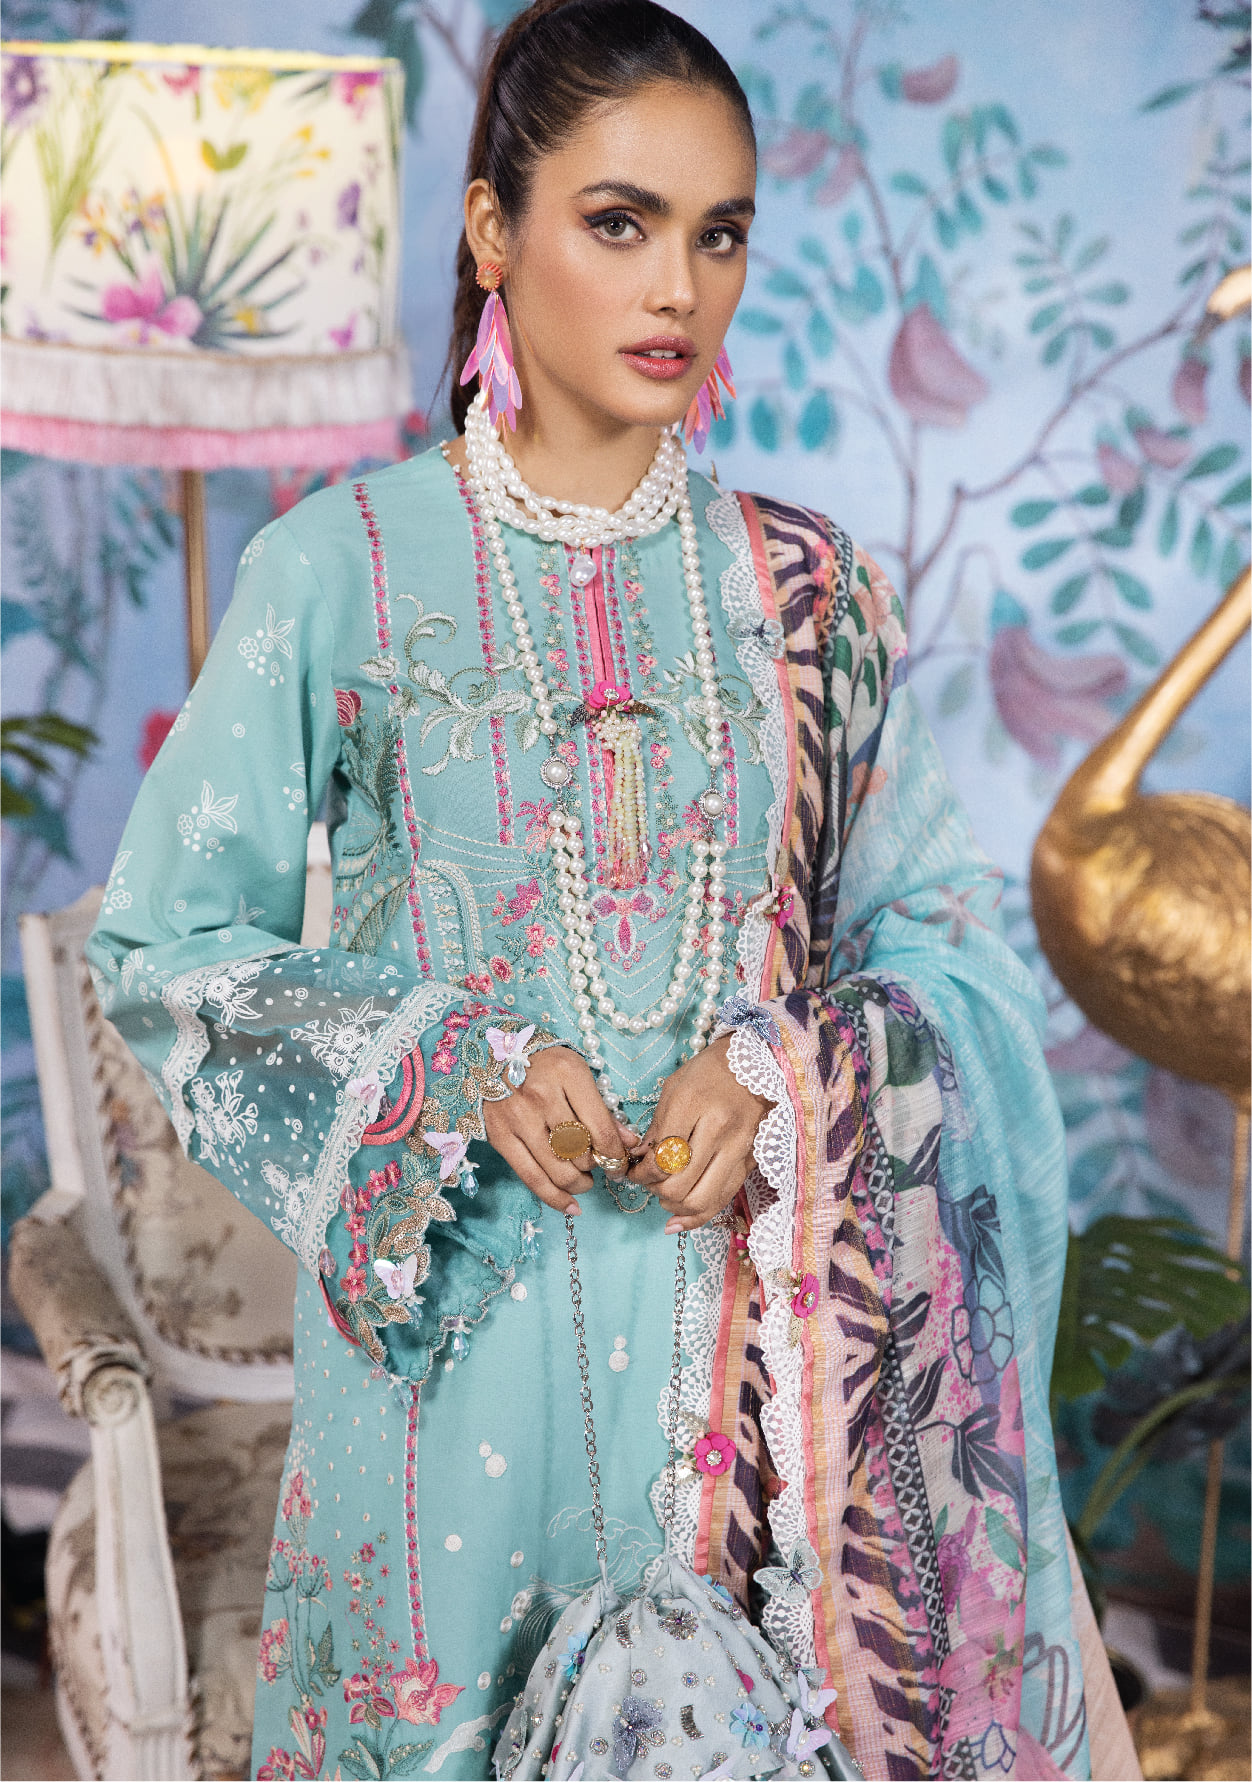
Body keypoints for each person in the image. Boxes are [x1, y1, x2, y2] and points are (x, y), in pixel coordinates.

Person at [87, 4, 1129, 1776]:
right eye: (621, 222)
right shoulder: (339, 567)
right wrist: (443, 1060)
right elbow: (167, 947)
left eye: (720, 234)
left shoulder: (815, 593)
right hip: (454, 1363)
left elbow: (947, 944)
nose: (678, 287)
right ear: (494, 229)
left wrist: (786, 1076)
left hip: (766, 1367)